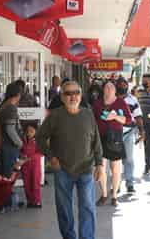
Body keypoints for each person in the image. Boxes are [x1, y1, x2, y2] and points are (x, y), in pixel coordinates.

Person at [36, 81, 103, 239]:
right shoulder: (55, 116)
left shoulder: (88, 113)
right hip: (63, 170)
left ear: (81, 94)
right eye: (68, 93)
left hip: (86, 168)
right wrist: (51, 156)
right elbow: (40, 137)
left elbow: (96, 140)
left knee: (87, 207)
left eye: (76, 92)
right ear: (62, 97)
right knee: (64, 209)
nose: (73, 96)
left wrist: (99, 163)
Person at [93, 81, 132, 206]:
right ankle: (104, 194)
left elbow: (128, 120)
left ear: (115, 90)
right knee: (101, 167)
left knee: (115, 168)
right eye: (106, 87)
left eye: (111, 87)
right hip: (100, 137)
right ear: (103, 90)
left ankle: (114, 195)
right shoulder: (97, 103)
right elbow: (92, 121)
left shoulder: (120, 102)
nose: (109, 89)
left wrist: (115, 117)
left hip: (115, 137)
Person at [116, 78, 145, 193]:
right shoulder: (111, 98)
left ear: (127, 86)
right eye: (120, 84)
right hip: (114, 134)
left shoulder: (133, 100)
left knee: (129, 159)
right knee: (116, 160)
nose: (123, 86)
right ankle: (116, 184)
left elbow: (138, 116)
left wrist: (142, 131)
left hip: (129, 132)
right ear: (116, 85)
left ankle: (129, 183)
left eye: (125, 84)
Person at [0, 83, 23, 177]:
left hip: (4, 144)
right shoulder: (11, 108)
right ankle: (5, 192)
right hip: (9, 146)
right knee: (8, 175)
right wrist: (20, 143)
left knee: (4, 173)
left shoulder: (3, 105)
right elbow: (10, 129)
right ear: (17, 94)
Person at [20, 123, 42, 208]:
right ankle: (30, 201)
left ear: (36, 132)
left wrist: (29, 158)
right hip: (25, 166)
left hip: (35, 166)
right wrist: (21, 155)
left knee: (35, 183)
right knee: (27, 184)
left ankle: (37, 201)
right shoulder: (23, 140)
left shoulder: (39, 141)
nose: (29, 133)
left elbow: (41, 153)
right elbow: (20, 150)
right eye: (27, 131)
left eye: (31, 131)